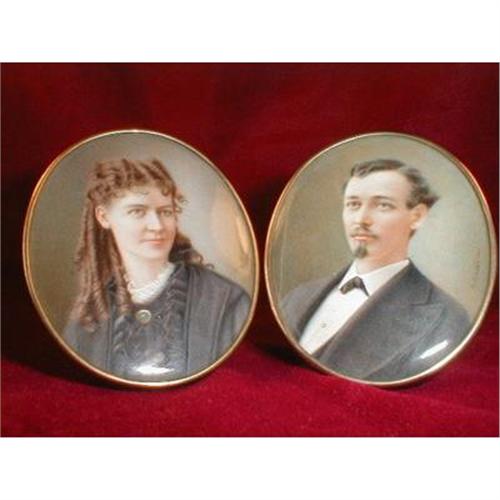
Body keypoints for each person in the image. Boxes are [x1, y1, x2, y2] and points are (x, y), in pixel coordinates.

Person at [282, 159, 470, 382]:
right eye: (353, 204)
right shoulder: (297, 297)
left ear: (417, 216)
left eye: (383, 205)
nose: (361, 220)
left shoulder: (447, 318)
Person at [65, 158, 250, 382]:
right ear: (103, 217)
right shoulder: (88, 317)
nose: (157, 226)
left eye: (165, 212)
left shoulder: (226, 301)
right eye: (137, 211)